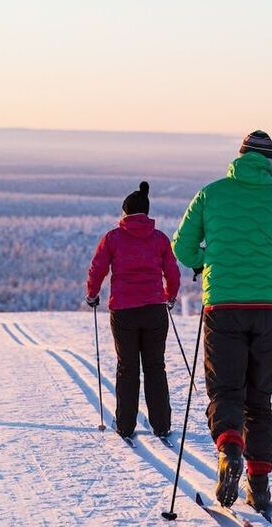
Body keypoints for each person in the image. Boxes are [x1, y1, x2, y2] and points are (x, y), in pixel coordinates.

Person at [171, 130, 272, 511]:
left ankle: (229, 449)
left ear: (238, 158)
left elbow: (182, 245)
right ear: (269, 164)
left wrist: (206, 262)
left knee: (225, 393)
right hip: (268, 312)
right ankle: (259, 483)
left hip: (222, 308)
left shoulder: (210, 194)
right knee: (259, 400)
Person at [86, 181, 181, 440]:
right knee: (155, 367)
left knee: (127, 367)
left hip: (124, 311)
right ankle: (161, 424)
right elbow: (172, 273)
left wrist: (92, 294)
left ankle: (125, 425)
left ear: (125, 212)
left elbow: (98, 269)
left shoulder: (113, 238)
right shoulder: (159, 238)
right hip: (155, 310)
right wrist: (169, 297)